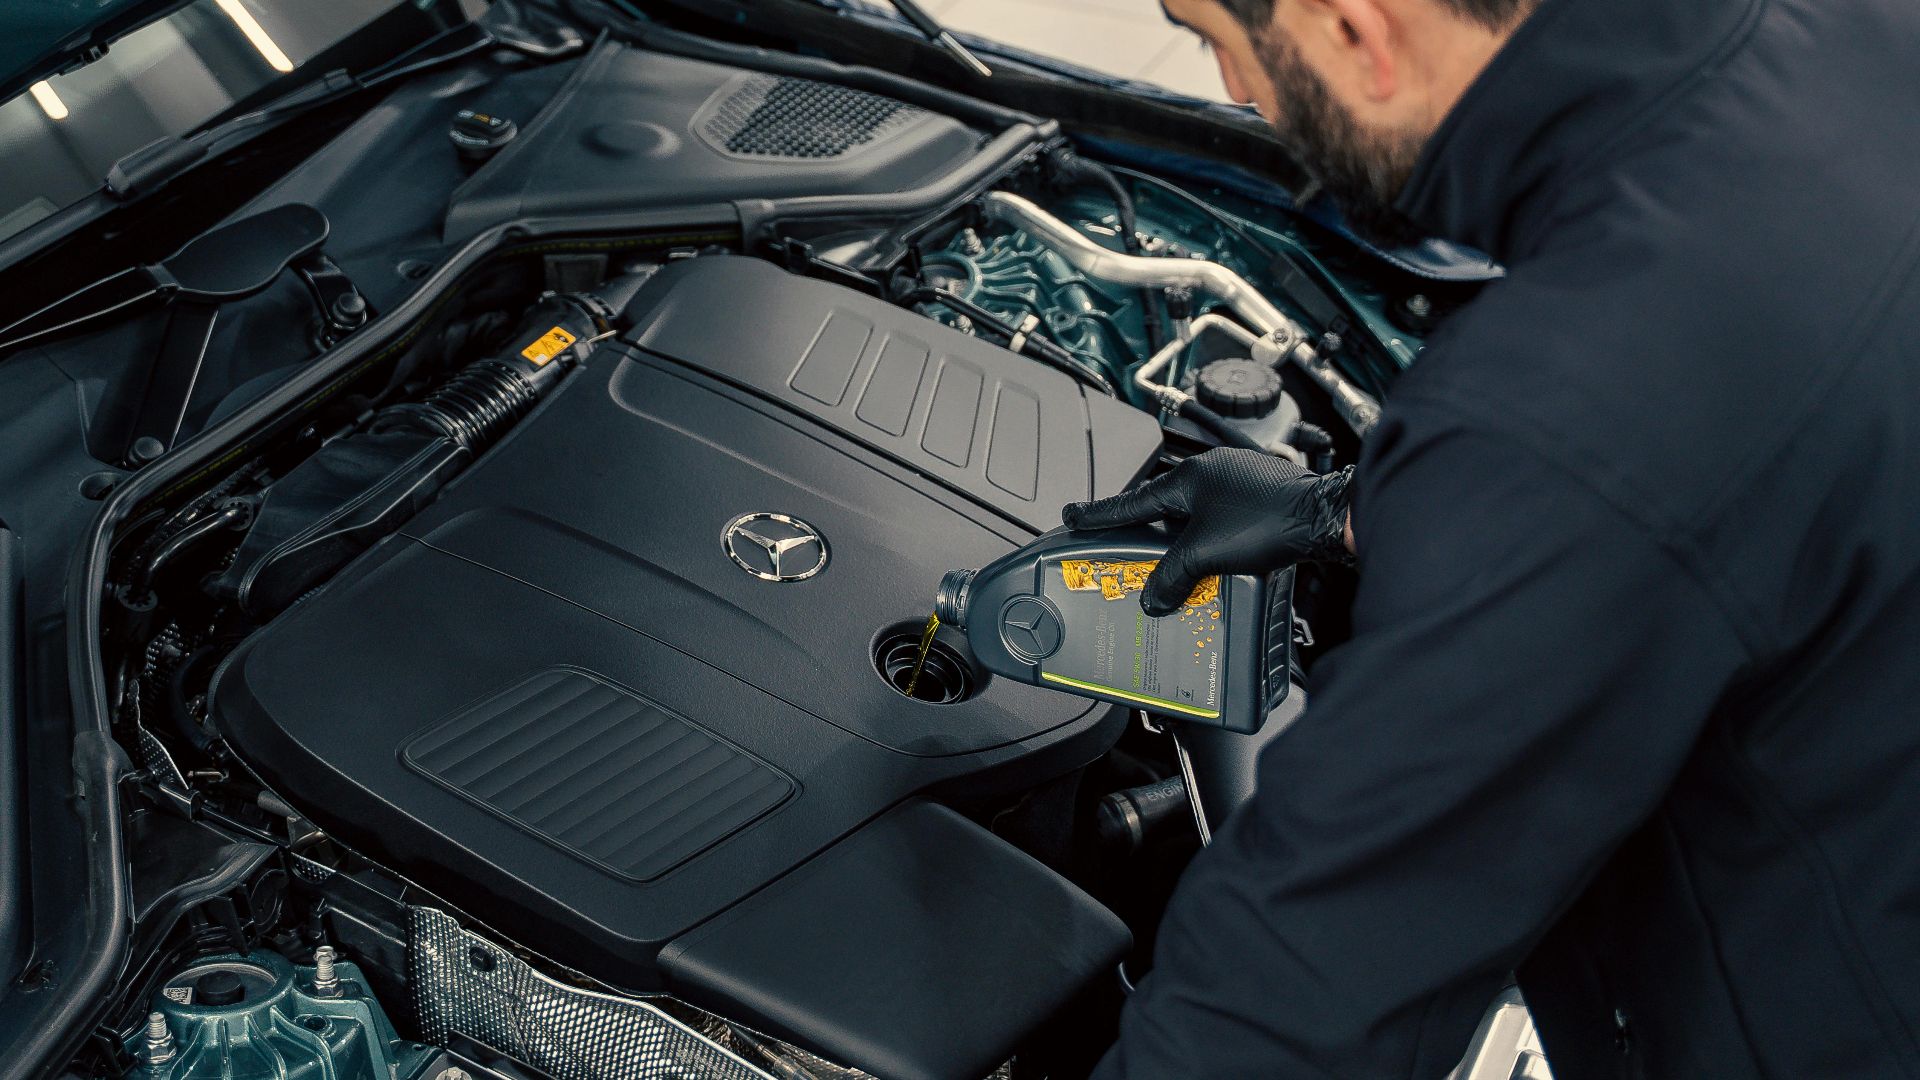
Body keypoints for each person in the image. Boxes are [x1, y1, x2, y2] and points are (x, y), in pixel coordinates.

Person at [1063, 0, 1920, 1075]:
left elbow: (1292, 997)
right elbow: (1750, 459)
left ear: (1356, 28)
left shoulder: (1573, 412)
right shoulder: (1856, 36)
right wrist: (1339, 509)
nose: (1238, 94)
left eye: (1224, 45)